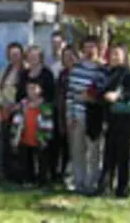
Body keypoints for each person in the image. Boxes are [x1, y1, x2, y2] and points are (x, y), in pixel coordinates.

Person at [97, 45, 130, 198]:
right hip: (111, 119)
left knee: (123, 155)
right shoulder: (108, 73)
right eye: (111, 54)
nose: (114, 57)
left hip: (126, 120)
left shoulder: (128, 75)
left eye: (117, 54)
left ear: (124, 56)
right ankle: (105, 187)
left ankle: (123, 189)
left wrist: (118, 96)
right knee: (109, 154)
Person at [66, 35, 108, 194]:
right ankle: (79, 182)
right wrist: (70, 115)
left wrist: (92, 97)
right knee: (77, 151)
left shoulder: (102, 70)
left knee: (94, 151)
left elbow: (104, 93)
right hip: (77, 115)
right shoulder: (76, 69)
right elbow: (70, 94)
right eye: (86, 47)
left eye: (93, 47)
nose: (89, 50)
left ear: (98, 49)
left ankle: (92, 183)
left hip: (94, 115)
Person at [13, 77, 54, 187]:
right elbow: (17, 119)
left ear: (40, 90)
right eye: (29, 88)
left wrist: (45, 137)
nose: (31, 91)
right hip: (25, 136)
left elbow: (48, 122)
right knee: (26, 160)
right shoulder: (23, 103)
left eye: (34, 88)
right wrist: (15, 134)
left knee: (41, 160)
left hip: (40, 137)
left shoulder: (45, 105)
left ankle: (42, 181)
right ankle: (27, 179)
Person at [0, 42, 25, 178]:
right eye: (11, 55)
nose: (14, 57)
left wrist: (16, 105)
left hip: (20, 111)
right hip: (5, 110)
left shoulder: (26, 70)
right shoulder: (5, 70)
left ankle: (17, 173)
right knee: (4, 141)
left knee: (17, 142)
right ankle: (4, 171)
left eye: (17, 54)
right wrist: (3, 103)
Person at [54, 46, 79, 184]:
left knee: (75, 147)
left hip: (76, 113)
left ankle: (74, 176)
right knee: (63, 146)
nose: (68, 59)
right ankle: (63, 174)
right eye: (65, 56)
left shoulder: (79, 73)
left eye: (71, 56)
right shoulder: (62, 74)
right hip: (62, 114)